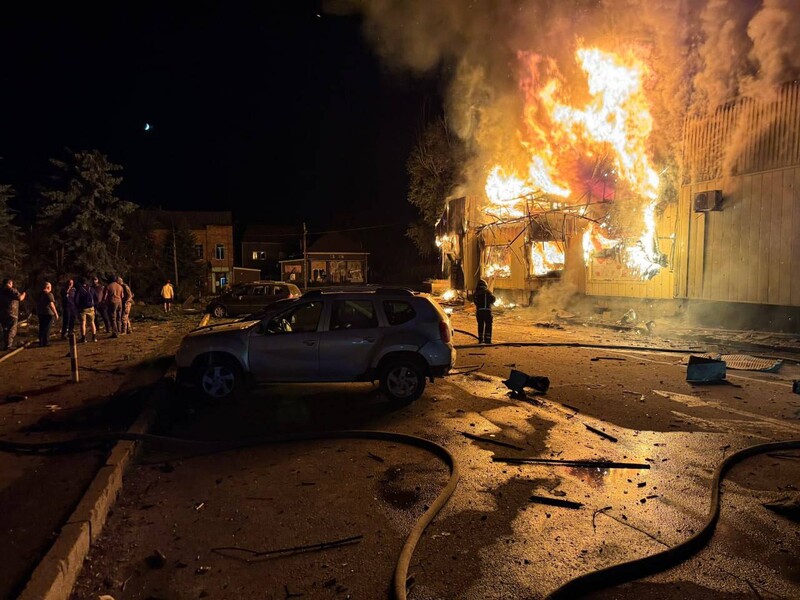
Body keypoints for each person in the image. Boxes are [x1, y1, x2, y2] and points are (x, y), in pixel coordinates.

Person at [0, 278, 27, 351]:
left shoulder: (1, 291)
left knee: (5, 330)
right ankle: (8, 345)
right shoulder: (12, 290)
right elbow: (20, 298)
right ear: (9, 283)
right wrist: (24, 294)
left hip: (2, 313)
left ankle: (6, 344)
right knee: (12, 329)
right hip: (12, 313)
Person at [473, 278, 496, 344]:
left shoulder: (476, 293)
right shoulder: (488, 292)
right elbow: (493, 299)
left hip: (479, 312)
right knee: (488, 325)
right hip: (487, 311)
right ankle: (487, 340)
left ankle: (480, 338)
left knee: (480, 325)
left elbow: (475, 302)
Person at [36, 281, 59, 347]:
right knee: (47, 328)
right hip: (48, 313)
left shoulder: (40, 294)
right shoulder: (49, 294)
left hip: (41, 313)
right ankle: (46, 342)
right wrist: (56, 313)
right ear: (48, 287)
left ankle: (41, 341)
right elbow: (51, 304)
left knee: (42, 327)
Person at [75, 277, 97, 342]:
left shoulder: (79, 289)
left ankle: (84, 338)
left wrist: (77, 307)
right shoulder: (91, 289)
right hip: (91, 308)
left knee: (83, 323)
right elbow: (96, 298)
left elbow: (76, 299)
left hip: (82, 308)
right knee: (92, 322)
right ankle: (94, 337)